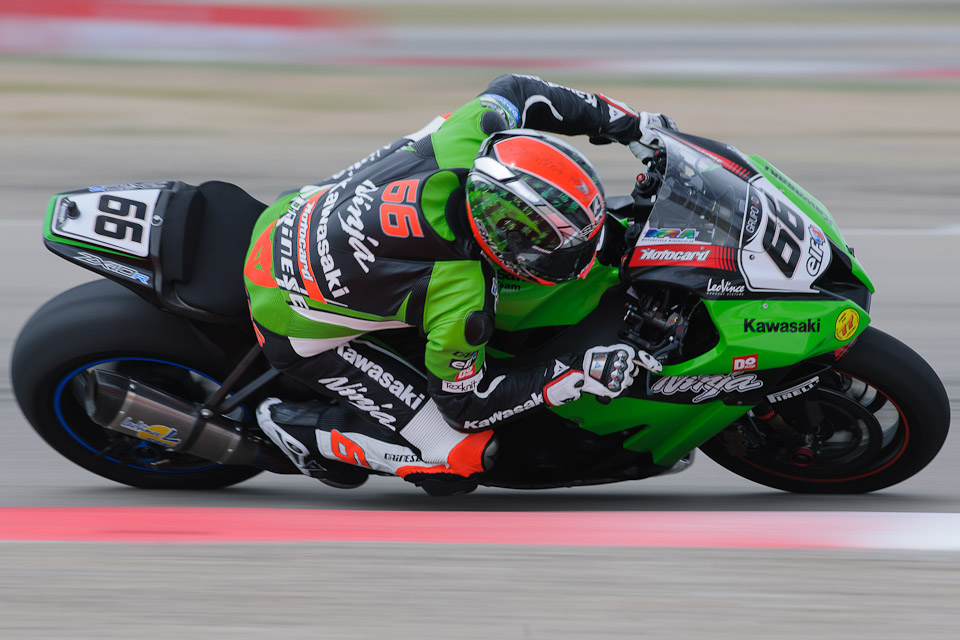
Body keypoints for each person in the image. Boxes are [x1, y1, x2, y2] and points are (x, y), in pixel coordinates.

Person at [243, 74, 673, 495]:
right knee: (458, 458)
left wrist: (631, 126)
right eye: (558, 247)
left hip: (284, 217)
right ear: (506, 241)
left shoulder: (468, 138)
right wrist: (574, 372)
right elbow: (467, 407)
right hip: (283, 315)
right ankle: (298, 428)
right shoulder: (459, 297)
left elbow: (520, 89)